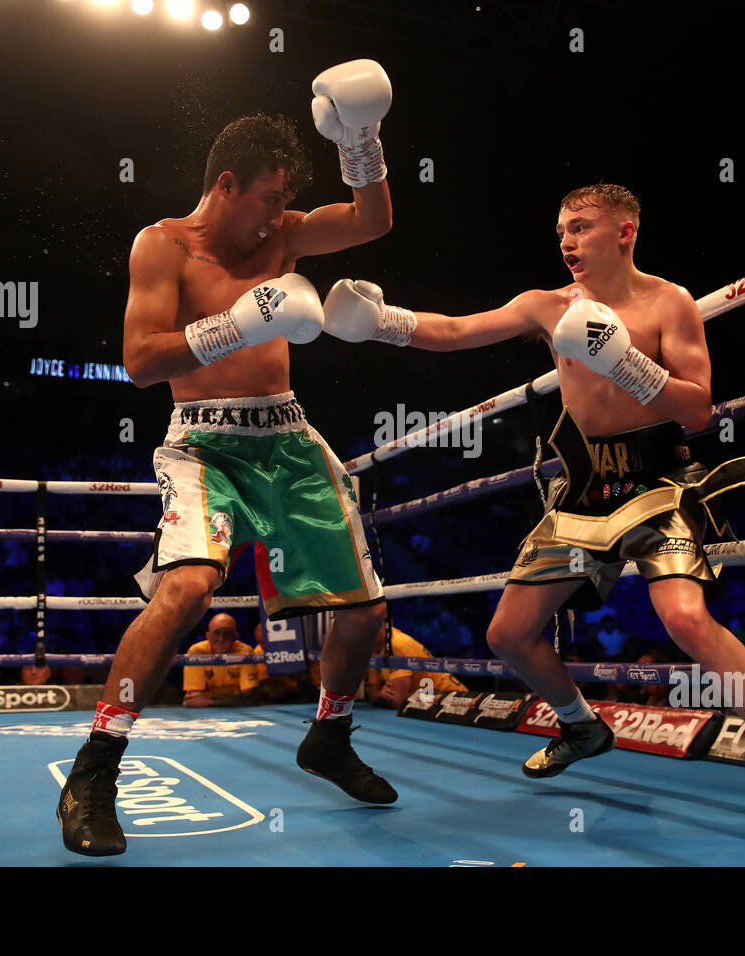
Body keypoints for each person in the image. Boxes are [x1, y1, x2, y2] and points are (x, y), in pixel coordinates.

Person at [321, 182, 745, 838]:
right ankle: (582, 725)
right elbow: (455, 332)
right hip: (585, 486)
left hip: (659, 478)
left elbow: (699, 411)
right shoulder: (548, 305)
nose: (566, 240)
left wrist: (624, 363)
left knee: (684, 618)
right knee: (508, 633)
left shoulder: (668, 303)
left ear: (625, 231)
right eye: (561, 229)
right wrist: (381, 322)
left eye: (582, 227)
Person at [57, 60, 398, 857]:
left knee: (363, 612)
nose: (283, 216)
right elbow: (141, 361)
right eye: (273, 199)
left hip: (286, 435)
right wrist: (236, 326)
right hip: (202, 440)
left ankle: (330, 736)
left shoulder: (281, 234)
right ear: (227, 185)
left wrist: (364, 142)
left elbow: (372, 219)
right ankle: (96, 770)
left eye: (287, 204)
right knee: (186, 589)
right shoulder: (162, 247)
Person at [365, 623, 468, 708]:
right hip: (428, 704)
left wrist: (380, 696)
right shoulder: (373, 646)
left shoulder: (397, 645)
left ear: (387, 623)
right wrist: (380, 695)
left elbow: (398, 700)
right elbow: (373, 692)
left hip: (455, 700)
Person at [183, 613, 260, 706]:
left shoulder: (245, 652)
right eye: (216, 633)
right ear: (208, 636)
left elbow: (249, 697)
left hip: (237, 710)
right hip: (207, 711)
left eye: (227, 633)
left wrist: (210, 700)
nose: (221, 638)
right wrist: (234, 697)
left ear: (236, 636)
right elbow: (195, 698)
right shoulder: (197, 652)